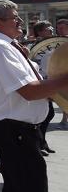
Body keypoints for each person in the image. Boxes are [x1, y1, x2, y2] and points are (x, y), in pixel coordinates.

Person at [0, 0, 68, 192]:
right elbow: (28, 91)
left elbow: (32, 85)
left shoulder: (7, 44)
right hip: (14, 131)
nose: (20, 21)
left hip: (17, 129)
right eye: (14, 18)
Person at [32, 21, 57, 155]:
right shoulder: (36, 46)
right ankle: (37, 145)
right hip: (41, 82)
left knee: (48, 113)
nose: (51, 29)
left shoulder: (53, 43)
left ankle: (41, 143)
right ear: (40, 32)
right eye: (48, 28)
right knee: (44, 114)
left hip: (49, 81)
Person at [56, 18, 68, 129]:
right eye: (58, 28)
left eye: (62, 28)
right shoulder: (56, 41)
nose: (59, 30)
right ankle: (64, 119)